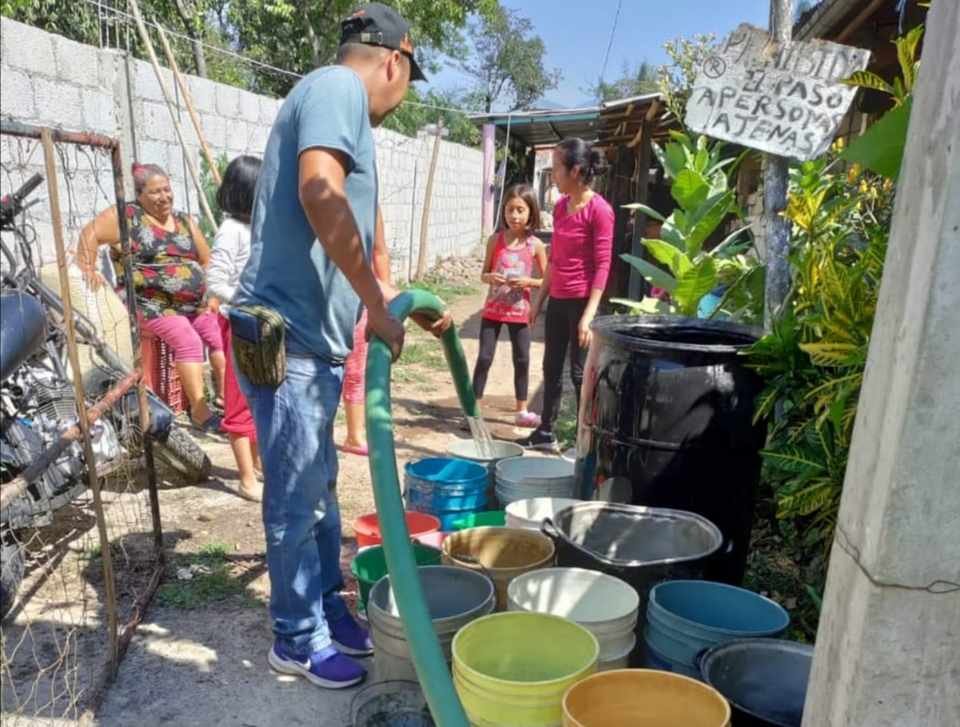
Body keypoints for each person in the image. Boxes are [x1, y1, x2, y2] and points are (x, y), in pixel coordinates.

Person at [230, 3, 451, 690]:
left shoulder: (340, 102)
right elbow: (321, 193)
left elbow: (344, 224)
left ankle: (325, 606)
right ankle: (295, 638)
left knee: (321, 489)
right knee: (298, 496)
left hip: (309, 342)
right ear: (394, 60)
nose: (403, 93)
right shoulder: (336, 89)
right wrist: (378, 304)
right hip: (289, 337)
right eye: (410, 78)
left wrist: (396, 304)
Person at [77, 163, 225, 432]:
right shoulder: (127, 217)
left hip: (193, 304)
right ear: (140, 194)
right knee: (188, 339)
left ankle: (228, 403)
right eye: (156, 192)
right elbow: (90, 234)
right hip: (151, 305)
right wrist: (88, 267)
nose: (164, 197)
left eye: (167, 190)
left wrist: (213, 297)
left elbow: (207, 261)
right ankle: (200, 414)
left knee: (218, 334)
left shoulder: (184, 221)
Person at [519, 138, 614, 452]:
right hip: (558, 300)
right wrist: (539, 300)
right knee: (550, 368)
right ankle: (546, 432)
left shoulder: (600, 211)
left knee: (579, 374)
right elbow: (555, 259)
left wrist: (588, 316)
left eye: (557, 167)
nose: (553, 174)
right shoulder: (560, 208)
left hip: (582, 304)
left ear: (575, 170)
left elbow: (603, 266)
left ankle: (584, 440)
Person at [205, 155, 264, 501]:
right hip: (240, 324)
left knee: (260, 399)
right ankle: (246, 478)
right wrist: (246, 304)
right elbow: (215, 281)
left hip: (258, 326)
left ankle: (256, 467)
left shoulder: (255, 228)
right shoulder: (230, 231)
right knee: (241, 402)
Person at [472, 184, 548, 428]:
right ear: (503, 211)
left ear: (530, 213)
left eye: (520, 210)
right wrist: (490, 277)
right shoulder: (495, 241)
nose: (514, 215)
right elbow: (483, 273)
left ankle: (522, 410)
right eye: (509, 209)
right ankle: (474, 410)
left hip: (520, 313)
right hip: (493, 311)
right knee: (484, 358)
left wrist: (528, 281)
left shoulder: (535, 245)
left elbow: (546, 280)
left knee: (522, 359)